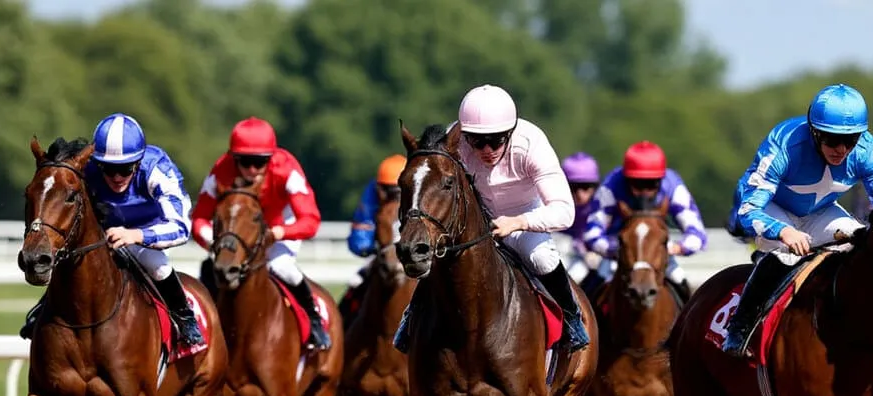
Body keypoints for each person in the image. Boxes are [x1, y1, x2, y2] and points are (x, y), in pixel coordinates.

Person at [393, 84, 588, 352]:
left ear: (510, 132)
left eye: (496, 140)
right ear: (465, 135)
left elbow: (565, 210)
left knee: (542, 258)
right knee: (439, 260)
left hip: (524, 217)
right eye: (477, 141)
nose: (486, 149)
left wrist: (518, 222)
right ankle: (411, 318)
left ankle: (572, 318)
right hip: (477, 219)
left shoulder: (532, 144)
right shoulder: (455, 141)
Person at [720, 83, 873, 357]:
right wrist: (782, 231)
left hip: (821, 212)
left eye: (850, 140)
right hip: (772, 209)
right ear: (814, 132)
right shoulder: (784, 144)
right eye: (831, 139)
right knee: (783, 253)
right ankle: (739, 329)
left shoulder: (866, 151)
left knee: (863, 241)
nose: (842, 149)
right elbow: (748, 210)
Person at [20, 113, 203, 347]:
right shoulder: (88, 167)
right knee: (72, 265)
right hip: (102, 230)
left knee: (159, 267)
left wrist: (136, 235)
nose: (116, 176)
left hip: (145, 234)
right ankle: (43, 309)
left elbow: (181, 227)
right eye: (109, 168)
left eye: (125, 169)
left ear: (138, 161)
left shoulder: (157, 169)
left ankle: (184, 316)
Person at [190, 116, 331, 350]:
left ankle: (313, 322)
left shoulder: (286, 169)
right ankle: (201, 329)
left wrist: (279, 233)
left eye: (260, 162)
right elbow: (199, 220)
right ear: (234, 158)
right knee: (212, 269)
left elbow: (310, 220)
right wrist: (216, 243)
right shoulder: (221, 170)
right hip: (238, 234)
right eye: (245, 162)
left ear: (271, 158)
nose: (252, 169)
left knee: (281, 267)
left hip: (278, 226)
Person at [582, 141, 706, 303]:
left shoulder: (673, 186)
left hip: (657, 251)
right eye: (638, 184)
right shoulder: (612, 185)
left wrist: (677, 247)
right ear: (627, 180)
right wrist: (617, 250)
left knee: (682, 284)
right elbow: (592, 233)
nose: (645, 192)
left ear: (661, 181)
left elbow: (697, 234)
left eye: (651, 184)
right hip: (620, 251)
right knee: (591, 287)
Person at [339, 154, 407, 325]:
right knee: (356, 284)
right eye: (388, 192)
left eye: (398, 193)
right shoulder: (372, 195)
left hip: (416, 256)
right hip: (382, 254)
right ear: (379, 189)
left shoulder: (421, 196)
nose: (393, 199)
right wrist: (379, 249)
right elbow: (358, 240)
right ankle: (340, 329)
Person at [560, 152, 602, 286]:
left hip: (593, 256)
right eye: (573, 187)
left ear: (595, 187)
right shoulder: (553, 202)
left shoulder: (602, 206)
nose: (580, 194)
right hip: (563, 253)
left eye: (585, 187)